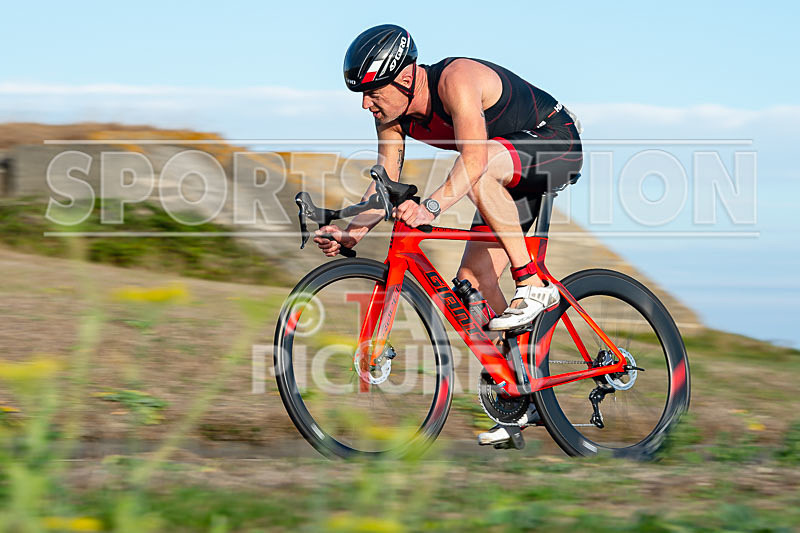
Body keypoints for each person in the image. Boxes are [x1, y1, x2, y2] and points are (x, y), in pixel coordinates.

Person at [314, 25, 583, 444]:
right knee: (471, 285)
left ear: (405, 79)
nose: (366, 105)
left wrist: (432, 207)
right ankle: (523, 395)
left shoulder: (456, 79)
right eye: (362, 96)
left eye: (372, 92)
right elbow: (385, 181)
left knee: (480, 166)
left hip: (555, 143)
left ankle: (531, 283)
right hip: (504, 173)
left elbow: (474, 158)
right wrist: (351, 234)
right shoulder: (393, 115)